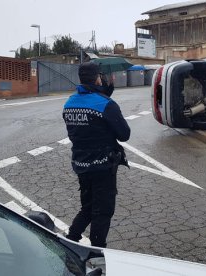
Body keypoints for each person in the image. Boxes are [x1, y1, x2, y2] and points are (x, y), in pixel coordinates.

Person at [62, 62, 131, 247]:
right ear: (98, 78)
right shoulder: (106, 104)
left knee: (88, 206)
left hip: (81, 165)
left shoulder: (69, 103)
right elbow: (124, 135)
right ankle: (97, 252)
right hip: (103, 166)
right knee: (103, 211)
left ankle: (71, 239)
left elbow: (74, 134)